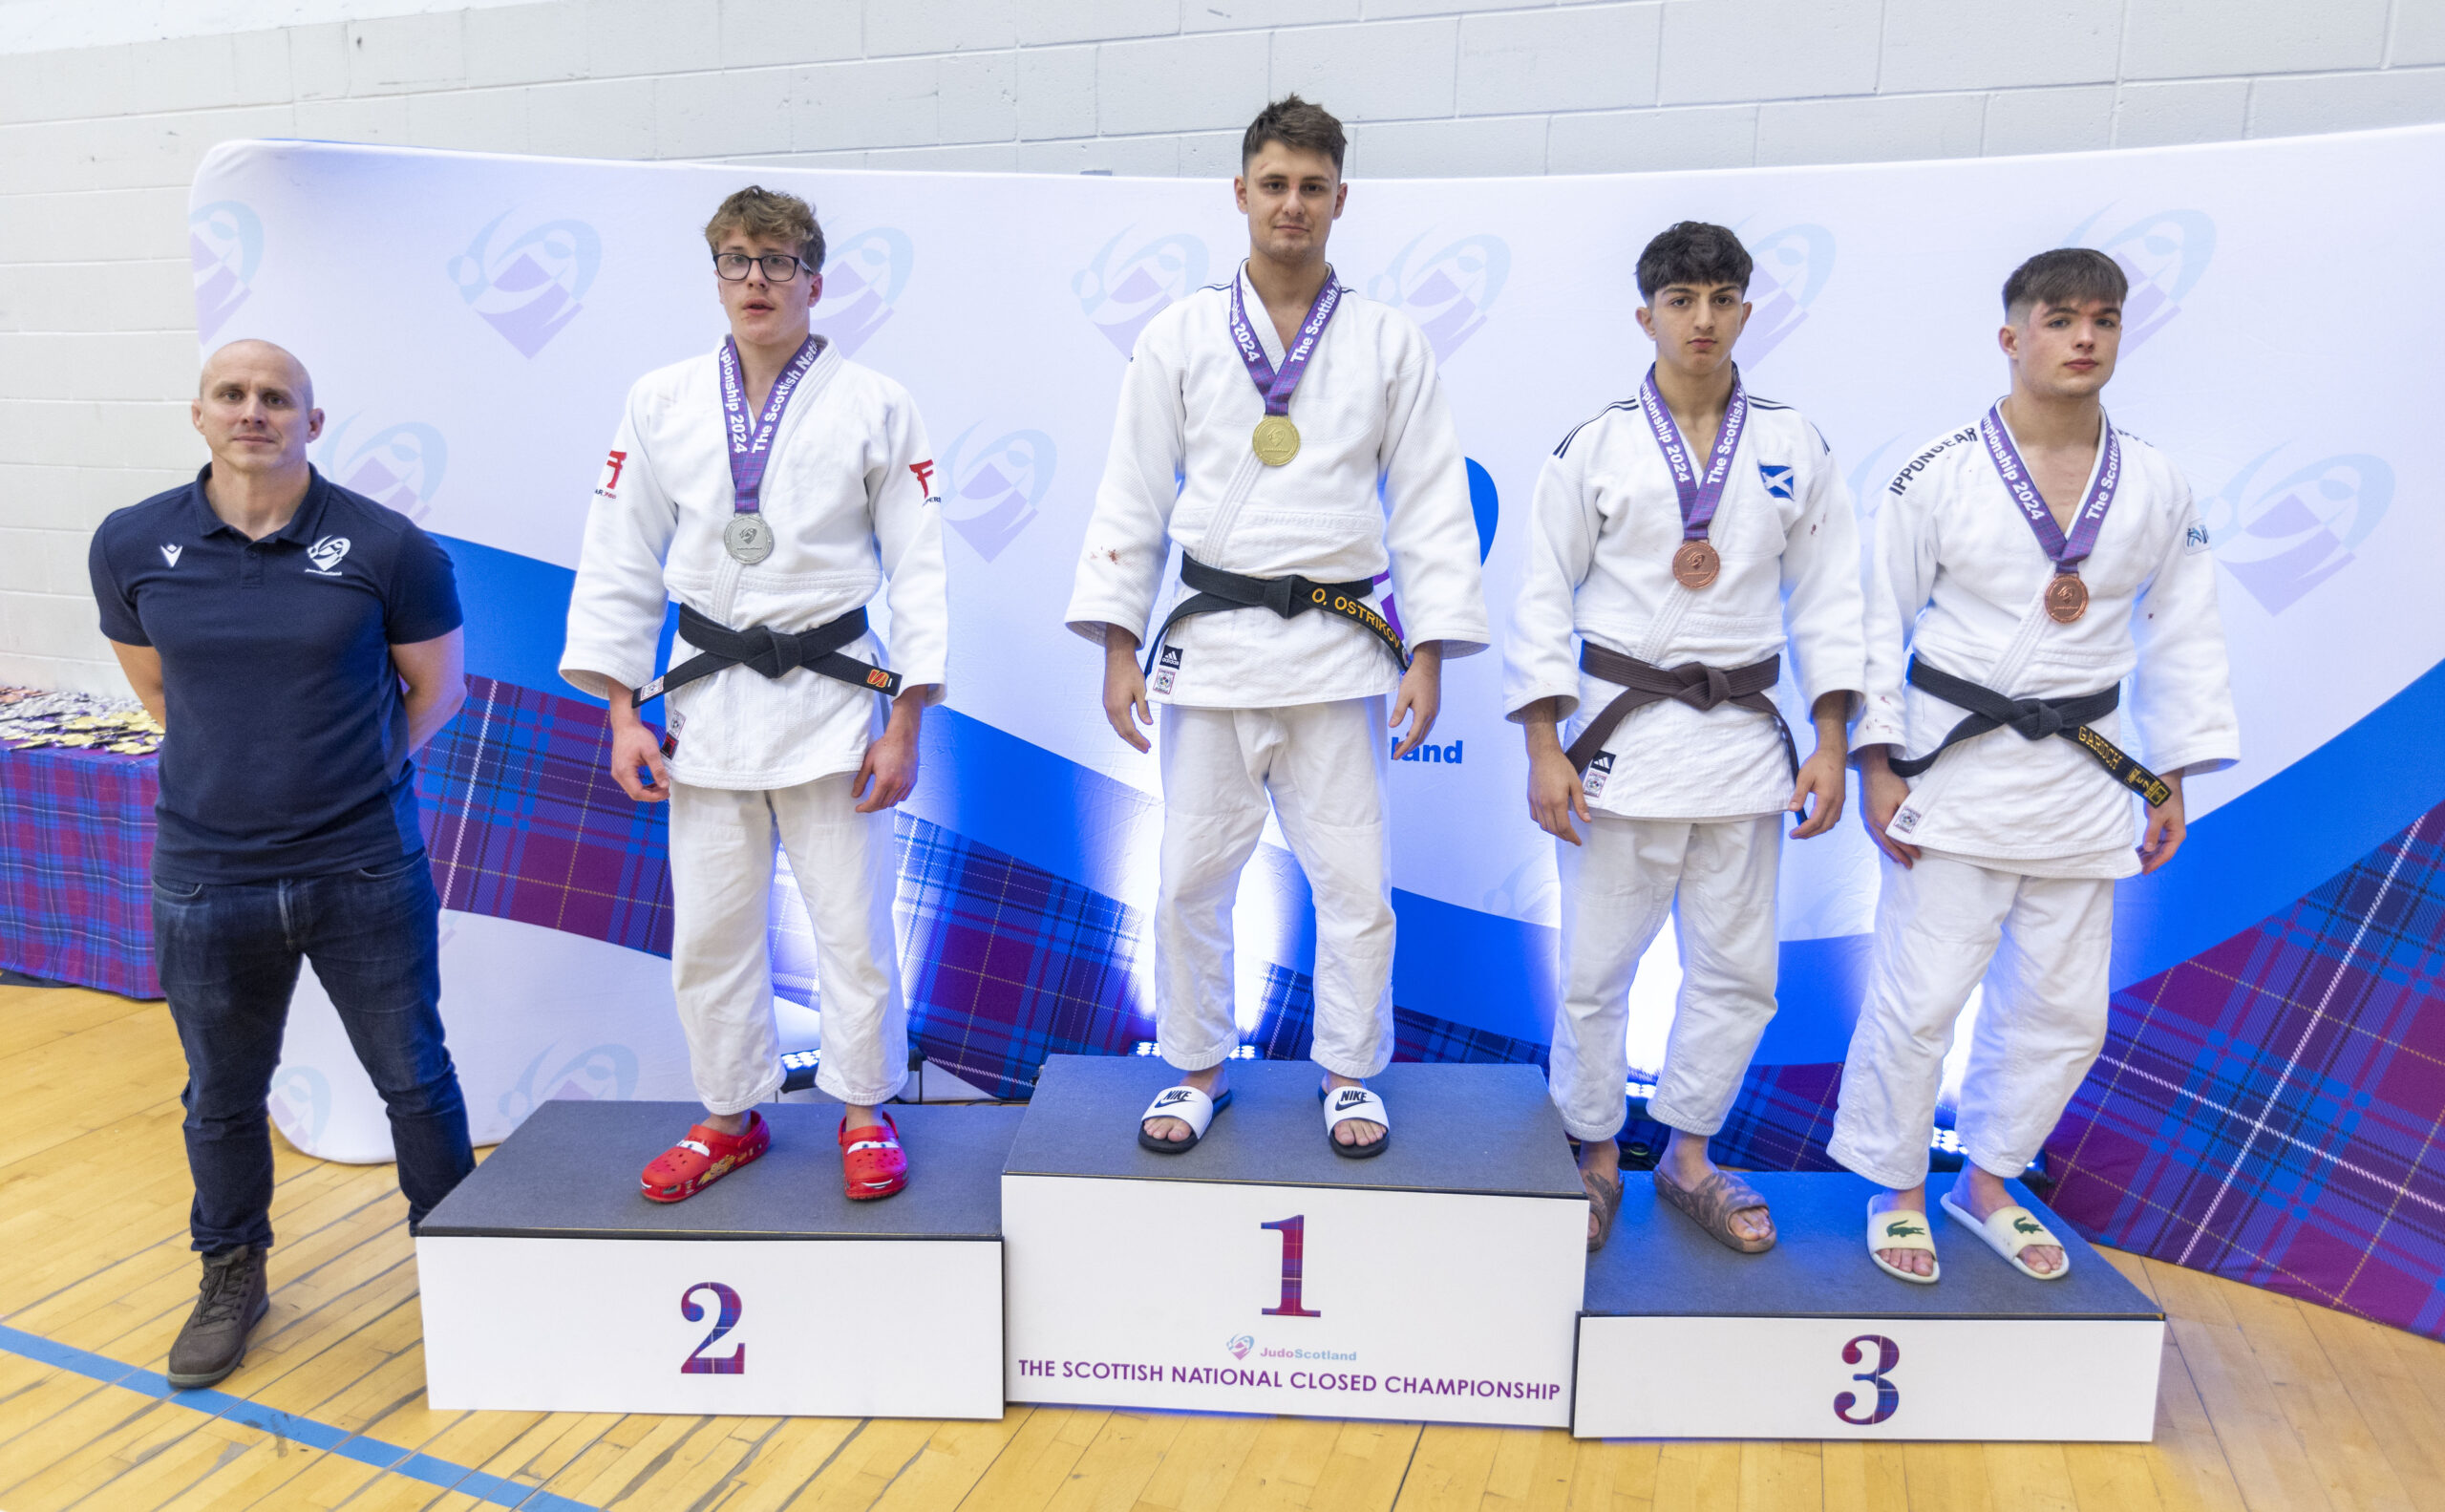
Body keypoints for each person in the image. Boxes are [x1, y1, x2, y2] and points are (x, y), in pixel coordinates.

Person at [1065, 96, 1488, 1157]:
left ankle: (1349, 1072)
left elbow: (1431, 501)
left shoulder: (1390, 340)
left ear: (1340, 199)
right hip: (1209, 648)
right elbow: (1130, 495)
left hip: (1340, 653)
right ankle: (1196, 1068)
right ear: (1240, 193)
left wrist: (1426, 648)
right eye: (1273, 184)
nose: (1290, 204)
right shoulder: (1177, 335)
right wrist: (1120, 643)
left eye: (1311, 187)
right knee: (1189, 880)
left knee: (1352, 883)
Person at [1833, 247, 2238, 1283]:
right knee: (1921, 995)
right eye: (2060, 319)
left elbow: (2185, 634)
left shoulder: (2155, 479)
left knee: (2062, 1006)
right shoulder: (1936, 473)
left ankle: (1991, 1179)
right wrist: (1877, 761)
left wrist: (2171, 777)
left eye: (2102, 319)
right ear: (2012, 337)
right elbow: (1876, 619)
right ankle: (1895, 1182)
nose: (2084, 337)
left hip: (2084, 777)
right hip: (1951, 768)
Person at [90, 339, 475, 1388]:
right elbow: (163, 697)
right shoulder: (130, 543)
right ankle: (231, 1274)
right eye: (233, 394)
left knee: (415, 1079)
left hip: (363, 868)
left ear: (313, 420)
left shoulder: (388, 547)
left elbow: (434, 694)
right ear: (199, 414)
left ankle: (464, 1269)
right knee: (220, 1094)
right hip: (207, 877)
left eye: (276, 398)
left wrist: (344, 782)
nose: (252, 410)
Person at [562, 186, 946, 1204]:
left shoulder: (877, 402)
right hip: (703, 702)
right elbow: (619, 556)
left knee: (852, 925)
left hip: (830, 700)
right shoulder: (662, 399)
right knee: (712, 928)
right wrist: (617, 708)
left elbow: (919, 567)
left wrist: (905, 717)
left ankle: (866, 1109)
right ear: (717, 278)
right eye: (736, 260)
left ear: (815, 281)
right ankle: (728, 1112)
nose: (756, 279)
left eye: (777, 261)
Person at [1505, 223, 1864, 1253]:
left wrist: (1831, 737)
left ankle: (1692, 1155)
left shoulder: (1795, 444)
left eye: (1719, 298)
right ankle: (1594, 1151)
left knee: (1739, 971)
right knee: (1594, 970)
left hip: (1746, 752)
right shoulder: (1594, 447)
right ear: (1645, 315)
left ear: (1746, 312)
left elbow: (1832, 601)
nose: (1700, 318)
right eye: (1680, 299)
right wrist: (1542, 743)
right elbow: (1541, 601)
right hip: (1622, 748)